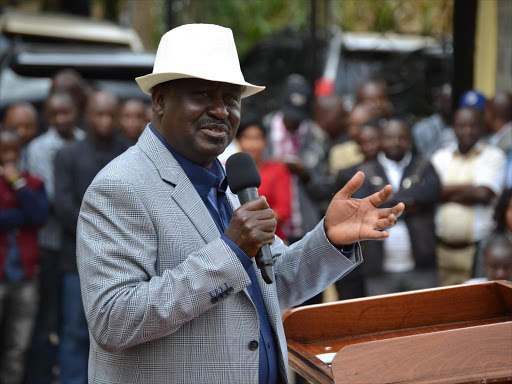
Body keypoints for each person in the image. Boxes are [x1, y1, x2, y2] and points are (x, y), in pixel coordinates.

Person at [76, 24, 404, 384]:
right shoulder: (120, 187)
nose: (220, 111)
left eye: (231, 98)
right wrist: (230, 252)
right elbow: (113, 320)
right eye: (202, 94)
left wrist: (328, 239)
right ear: (159, 100)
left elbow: (274, 281)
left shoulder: (234, 183)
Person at [54, 90, 126, 384]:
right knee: (74, 330)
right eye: (99, 114)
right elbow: (63, 205)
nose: (105, 121)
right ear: (87, 115)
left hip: (122, 259)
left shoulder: (129, 153)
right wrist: (99, 236)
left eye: (111, 114)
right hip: (75, 260)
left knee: (114, 331)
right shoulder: (67, 154)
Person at [26, 89, 85, 384]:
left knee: (76, 321)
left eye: (67, 112)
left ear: (76, 112)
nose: (62, 119)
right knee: (50, 318)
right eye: (56, 114)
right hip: (50, 245)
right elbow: (51, 197)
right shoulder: (39, 148)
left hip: (79, 246)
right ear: (47, 117)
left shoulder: (84, 140)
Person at [353, 119, 441, 295]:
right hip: (379, 268)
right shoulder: (365, 170)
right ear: (381, 140)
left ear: (409, 140)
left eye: (402, 137)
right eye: (390, 137)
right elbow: (361, 205)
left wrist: (389, 200)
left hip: (422, 266)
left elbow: (432, 193)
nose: (396, 142)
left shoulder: (424, 165)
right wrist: (410, 203)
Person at [432, 106, 506, 286]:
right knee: (443, 303)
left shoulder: (493, 156)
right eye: (462, 126)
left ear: (481, 127)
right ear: (453, 128)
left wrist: (445, 193)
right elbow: (432, 192)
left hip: (477, 247)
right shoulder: (440, 157)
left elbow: (484, 193)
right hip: (441, 249)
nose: (467, 131)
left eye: (473, 125)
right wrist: (471, 186)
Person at [0, 130, 49, 384]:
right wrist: (20, 217)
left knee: (18, 346)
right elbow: (23, 217)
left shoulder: (32, 183)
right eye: (3, 151)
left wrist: (17, 184)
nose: (8, 158)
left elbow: (40, 216)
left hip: (26, 276)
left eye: (13, 152)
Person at [263, 73, 328, 243]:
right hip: (271, 226)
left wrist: (304, 174)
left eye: (298, 117)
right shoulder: (263, 130)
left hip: (305, 224)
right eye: (290, 116)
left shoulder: (315, 135)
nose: (293, 122)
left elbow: (323, 188)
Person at [236, 115, 291, 242]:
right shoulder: (227, 170)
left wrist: (252, 227)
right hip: (238, 242)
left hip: (272, 240)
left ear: (265, 141)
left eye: (257, 138)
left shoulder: (278, 170)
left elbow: (283, 210)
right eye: (247, 138)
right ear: (238, 140)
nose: (252, 144)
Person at [412, 83, 454, 157]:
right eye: (445, 101)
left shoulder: (462, 128)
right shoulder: (421, 128)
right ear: (438, 101)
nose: (449, 105)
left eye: (451, 101)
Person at [2, 102, 39, 171]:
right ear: (5, 125)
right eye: (15, 127)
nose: (22, 133)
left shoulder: (40, 151)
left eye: (28, 126)